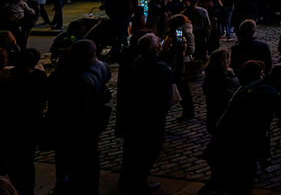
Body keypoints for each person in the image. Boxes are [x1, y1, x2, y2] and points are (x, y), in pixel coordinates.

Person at [202, 64, 281, 195]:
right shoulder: (268, 94)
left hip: (224, 143)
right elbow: (259, 128)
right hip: (237, 149)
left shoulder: (257, 85)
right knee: (237, 184)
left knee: (221, 182)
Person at [46, 39, 111, 195]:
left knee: (66, 159)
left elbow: (71, 107)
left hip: (74, 127)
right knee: (89, 160)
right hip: (89, 126)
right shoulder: (100, 67)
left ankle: (65, 185)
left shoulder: (76, 76)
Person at [119, 33, 175, 194]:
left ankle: (128, 180)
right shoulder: (157, 66)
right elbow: (172, 76)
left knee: (133, 150)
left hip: (138, 113)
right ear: (155, 48)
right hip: (152, 115)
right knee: (148, 149)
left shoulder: (139, 61)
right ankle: (139, 181)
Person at [0, 48, 48, 195]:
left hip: (11, 127)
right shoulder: (39, 77)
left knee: (13, 161)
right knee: (26, 163)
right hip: (30, 127)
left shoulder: (9, 78)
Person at [202, 47, 238, 134]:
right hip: (223, 119)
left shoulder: (210, 76)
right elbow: (230, 98)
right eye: (228, 57)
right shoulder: (223, 78)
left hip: (213, 117)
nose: (230, 60)